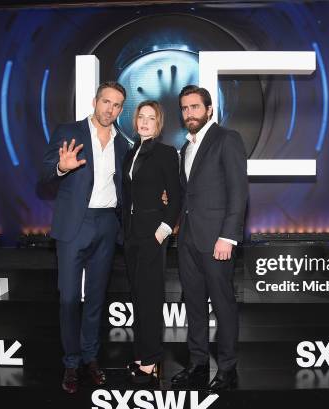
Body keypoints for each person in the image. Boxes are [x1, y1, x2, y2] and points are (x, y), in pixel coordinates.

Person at [40, 81, 129, 394]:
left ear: (121, 109)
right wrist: (61, 168)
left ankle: (90, 358)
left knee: (95, 298)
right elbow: (44, 172)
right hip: (74, 225)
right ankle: (71, 362)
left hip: (107, 224)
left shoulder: (122, 143)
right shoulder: (68, 131)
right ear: (95, 101)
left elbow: (128, 188)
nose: (110, 109)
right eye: (106, 102)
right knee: (68, 298)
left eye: (117, 105)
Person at [171, 85, 248, 392]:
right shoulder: (184, 147)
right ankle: (198, 364)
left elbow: (238, 192)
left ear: (209, 109)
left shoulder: (226, 139)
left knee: (223, 305)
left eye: (195, 107)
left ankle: (228, 369)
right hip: (188, 240)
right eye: (185, 108)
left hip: (217, 240)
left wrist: (228, 237)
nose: (189, 113)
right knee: (194, 305)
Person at [122, 100, 180, 384]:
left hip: (153, 234)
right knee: (137, 297)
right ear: (135, 121)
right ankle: (141, 354)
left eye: (151, 118)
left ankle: (151, 361)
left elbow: (176, 196)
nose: (145, 122)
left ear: (159, 124)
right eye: (141, 117)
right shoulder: (131, 152)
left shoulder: (166, 153)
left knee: (150, 298)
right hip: (131, 235)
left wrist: (164, 229)